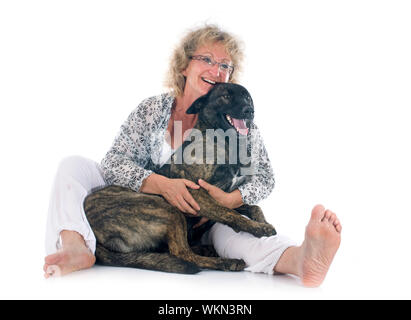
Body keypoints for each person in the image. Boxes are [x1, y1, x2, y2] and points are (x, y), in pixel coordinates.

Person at [44, 25, 341, 287]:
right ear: (184, 66)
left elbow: (264, 178)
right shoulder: (153, 110)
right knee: (73, 167)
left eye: (226, 65)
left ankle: (301, 259)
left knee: (238, 240)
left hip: (204, 220)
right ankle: (75, 244)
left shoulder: (237, 123)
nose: (217, 70)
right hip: (135, 206)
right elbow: (112, 164)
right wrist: (161, 184)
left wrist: (231, 200)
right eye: (208, 60)